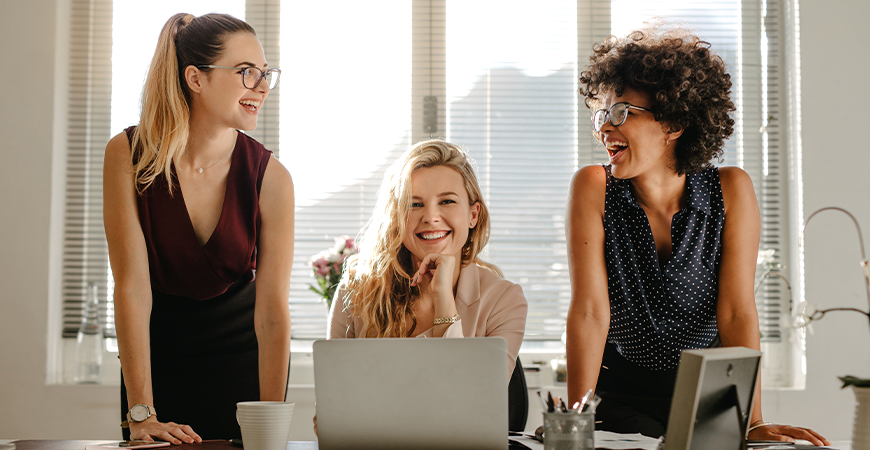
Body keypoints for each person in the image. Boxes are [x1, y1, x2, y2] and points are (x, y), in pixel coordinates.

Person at [564, 24, 829, 445]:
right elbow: (590, 313)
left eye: (622, 113)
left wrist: (752, 422)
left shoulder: (731, 189)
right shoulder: (593, 187)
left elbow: (736, 313)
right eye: (603, 114)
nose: (605, 129)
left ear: (673, 123)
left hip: (708, 393)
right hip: (619, 396)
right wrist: (574, 422)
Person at [103, 13, 294, 443]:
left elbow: (271, 314)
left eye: (265, 74)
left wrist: (271, 426)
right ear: (195, 78)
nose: (262, 87)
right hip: (153, 372)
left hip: (242, 371)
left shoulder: (272, 177)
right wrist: (141, 413)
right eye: (246, 72)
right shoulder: (128, 155)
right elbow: (131, 288)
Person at [328, 140, 528, 375]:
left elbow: (472, 394)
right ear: (396, 218)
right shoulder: (356, 289)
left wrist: (443, 298)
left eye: (447, 201)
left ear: (473, 215)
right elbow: (334, 390)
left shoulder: (504, 300)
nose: (431, 217)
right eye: (414, 204)